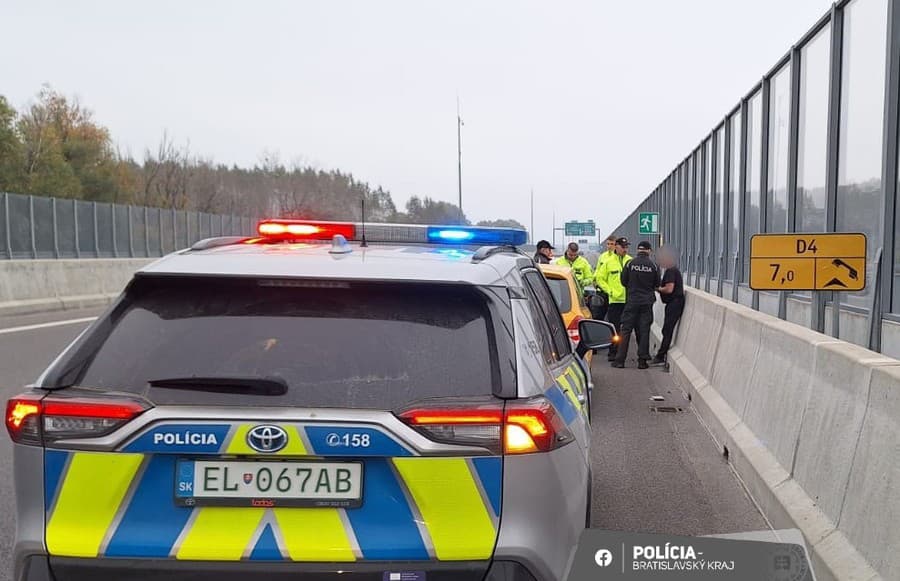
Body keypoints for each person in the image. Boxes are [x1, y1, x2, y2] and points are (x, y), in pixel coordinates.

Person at [612, 240, 661, 370]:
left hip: (632, 301)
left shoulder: (629, 263)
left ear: (638, 250)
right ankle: (642, 361)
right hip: (646, 303)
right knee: (644, 331)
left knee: (626, 330)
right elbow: (657, 284)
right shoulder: (654, 266)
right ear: (649, 251)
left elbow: (623, 281)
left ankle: (620, 360)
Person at [595, 237, 632, 360]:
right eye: (623, 247)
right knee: (614, 329)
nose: (625, 249)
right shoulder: (608, 262)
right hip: (615, 301)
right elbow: (600, 278)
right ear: (616, 247)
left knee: (626, 329)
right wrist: (609, 291)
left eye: (627, 247)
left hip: (628, 301)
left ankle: (622, 354)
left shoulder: (630, 261)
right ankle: (613, 352)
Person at [652, 247, 685, 365]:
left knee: (667, 329)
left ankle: (661, 355)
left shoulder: (671, 271)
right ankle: (662, 353)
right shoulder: (672, 270)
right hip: (674, 303)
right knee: (666, 328)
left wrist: (657, 288)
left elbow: (669, 289)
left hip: (674, 303)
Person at [589, 235, 618, 321]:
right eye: (608, 244)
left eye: (612, 244)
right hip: (601, 290)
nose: (609, 246)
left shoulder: (618, 257)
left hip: (613, 292)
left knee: (613, 317)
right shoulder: (603, 256)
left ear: (616, 245)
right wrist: (594, 279)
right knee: (598, 315)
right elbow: (598, 269)